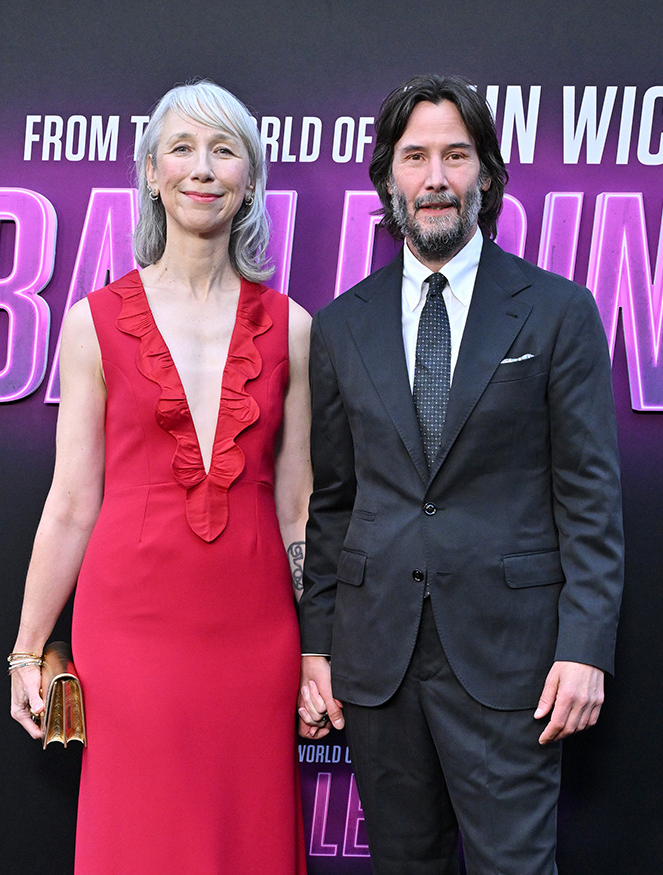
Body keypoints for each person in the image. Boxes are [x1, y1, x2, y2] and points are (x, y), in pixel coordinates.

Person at [297, 74, 624, 874]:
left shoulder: (556, 310)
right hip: (378, 662)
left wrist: (586, 646)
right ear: (387, 178)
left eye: (455, 154)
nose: (435, 177)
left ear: (487, 174)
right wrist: (317, 647)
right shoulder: (341, 324)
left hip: (515, 662)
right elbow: (333, 502)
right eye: (415, 157)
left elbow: (589, 498)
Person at [10, 80, 310, 874]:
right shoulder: (93, 320)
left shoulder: (294, 327)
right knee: (137, 839)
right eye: (181, 148)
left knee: (251, 836)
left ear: (250, 176)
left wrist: (319, 646)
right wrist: (27, 647)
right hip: (130, 632)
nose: (202, 168)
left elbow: (299, 507)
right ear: (150, 171)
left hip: (257, 635)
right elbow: (72, 501)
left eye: (224, 150)